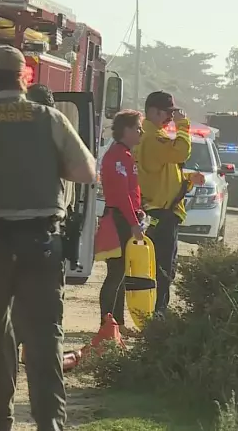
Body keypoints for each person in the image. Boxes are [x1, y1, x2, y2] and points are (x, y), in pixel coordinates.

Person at [0, 45, 96, 431]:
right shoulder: (51, 119)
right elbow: (87, 170)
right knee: (43, 335)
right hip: (41, 244)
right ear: (25, 80)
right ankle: (49, 422)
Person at [133, 91, 204, 315]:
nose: (171, 118)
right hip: (160, 214)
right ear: (153, 111)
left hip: (161, 211)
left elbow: (164, 173)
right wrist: (184, 126)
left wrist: (187, 180)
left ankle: (156, 312)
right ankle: (158, 315)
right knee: (162, 269)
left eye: (173, 114)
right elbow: (181, 153)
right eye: (168, 113)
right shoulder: (153, 138)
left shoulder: (156, 136)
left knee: (160, 267)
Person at [97, 110, 144, 336]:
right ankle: (107, 322)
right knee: (115, 273)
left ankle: (118, 322)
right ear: (126, 130)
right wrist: (134, 222)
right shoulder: (117, 156)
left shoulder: (125, 154)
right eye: (137, 128)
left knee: (122, 272)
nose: (140, 132)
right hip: (119, 219)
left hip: (125, 217)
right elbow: (121, 194)